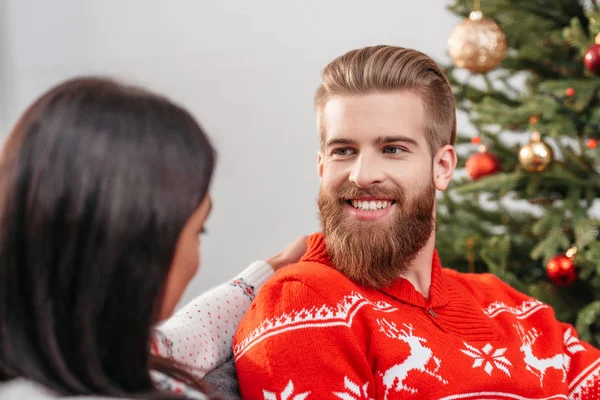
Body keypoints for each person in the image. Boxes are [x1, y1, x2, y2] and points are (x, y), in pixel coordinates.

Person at [233, 45, 600, 399]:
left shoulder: (516, 311)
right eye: (343, 151)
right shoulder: (304, 303)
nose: (362, 175)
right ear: (321, 167)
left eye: (392, 149)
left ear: (442, 167)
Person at [0, 76, 306, 400]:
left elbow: (190, 336)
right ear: (138, 249)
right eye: (198, 231)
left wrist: (273, 269)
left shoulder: (92, 355)